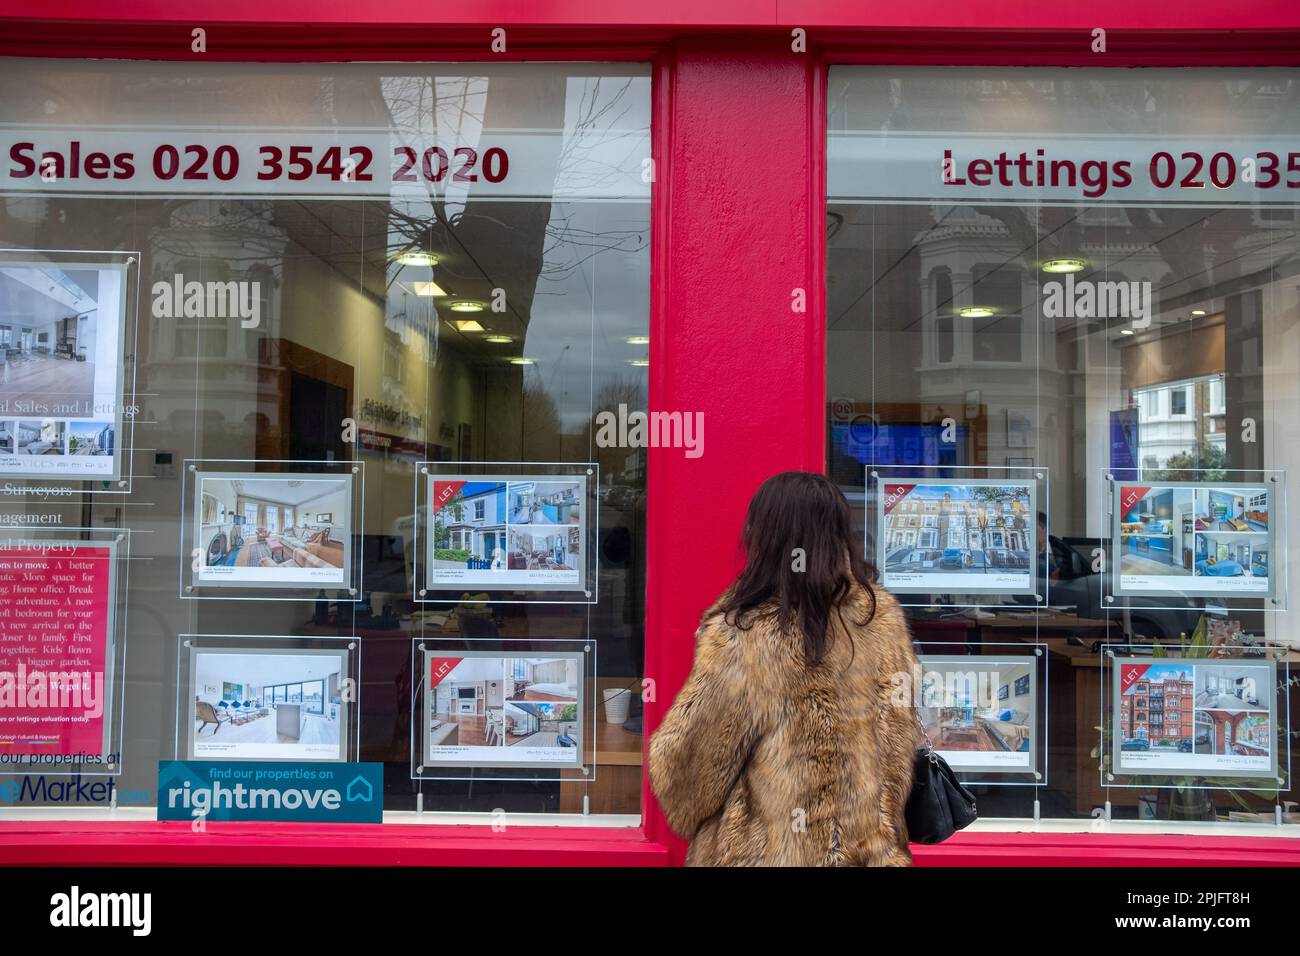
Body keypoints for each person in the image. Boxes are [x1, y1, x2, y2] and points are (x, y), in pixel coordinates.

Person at [648, 471, 921, 866]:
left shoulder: (745, 634)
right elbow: (899, 745)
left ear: (767, 538)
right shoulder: (882, 622)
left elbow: (688, 776)